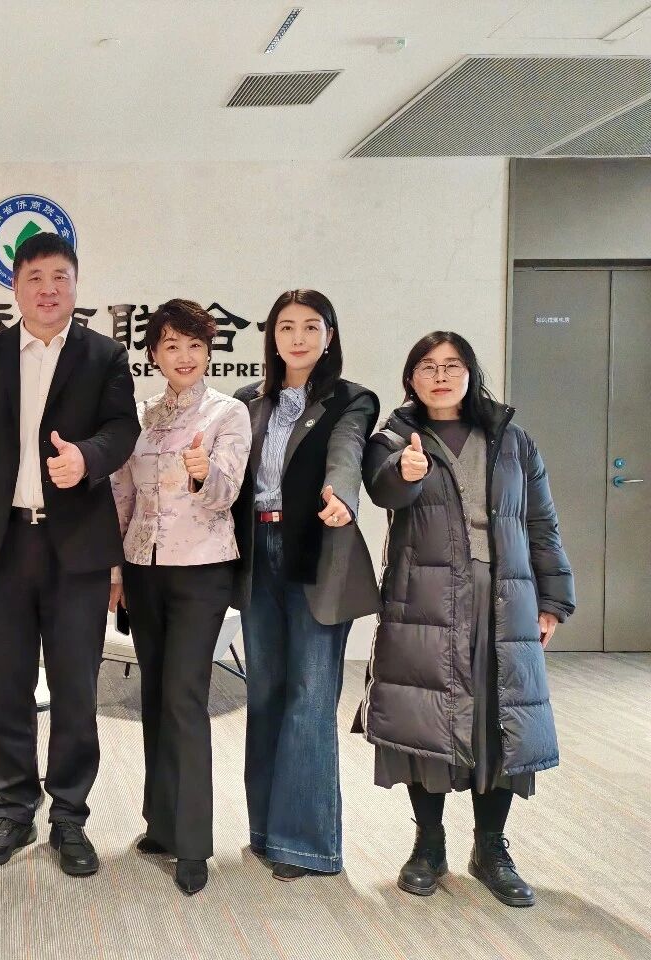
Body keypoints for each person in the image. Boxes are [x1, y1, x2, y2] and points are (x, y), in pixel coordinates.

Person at [0, 232, 140, 877]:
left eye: (60, 277)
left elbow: (123, 429)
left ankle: (70, 816)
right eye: (35, 277)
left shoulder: (104, 355)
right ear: (15, 286)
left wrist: (87, 458)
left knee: (76, 689)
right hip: (4, 543)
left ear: (76, 285)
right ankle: (12, 809)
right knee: (9, 684)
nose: (48, 289)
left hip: (76, 548)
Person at [359, 331, 574, 908]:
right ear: (411, 378)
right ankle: (429, 845)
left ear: (470, 373)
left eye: (452, 366)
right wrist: (405, 472)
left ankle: (490, 848)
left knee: (501, 721)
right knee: (424, 720)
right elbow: (382, 490)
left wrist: (553, 599)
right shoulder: (392, 439)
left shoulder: (513, 440)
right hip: (425, 602)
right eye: (427, 366)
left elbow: (541, 522)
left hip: (504, 599)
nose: (440, 376)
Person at [232, 289, 380, 881]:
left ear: (329, 335)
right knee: (265, 692)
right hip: (256, 554)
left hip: (317, 552)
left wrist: (340, 494)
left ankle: (305, 844)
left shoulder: (350, 399)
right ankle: (265, 830)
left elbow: (346, 451)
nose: (298, 338)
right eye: (286, 327)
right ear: (271, 336)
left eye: (311, 326)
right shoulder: (248, 401)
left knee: (311, 696)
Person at [109, 299, 250, 896]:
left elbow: (226, 492)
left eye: (194, 345)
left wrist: (201, 471)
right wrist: (115, 572)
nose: (184, 356)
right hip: (143, 570)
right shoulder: (139, 417)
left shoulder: (228, 413)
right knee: (154, 695)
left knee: (185, 699)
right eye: (171, 345)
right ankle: (161, 823)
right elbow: (122, 496)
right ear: (153, 354)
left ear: (209, 351)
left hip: (200, 572)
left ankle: (193, 843)